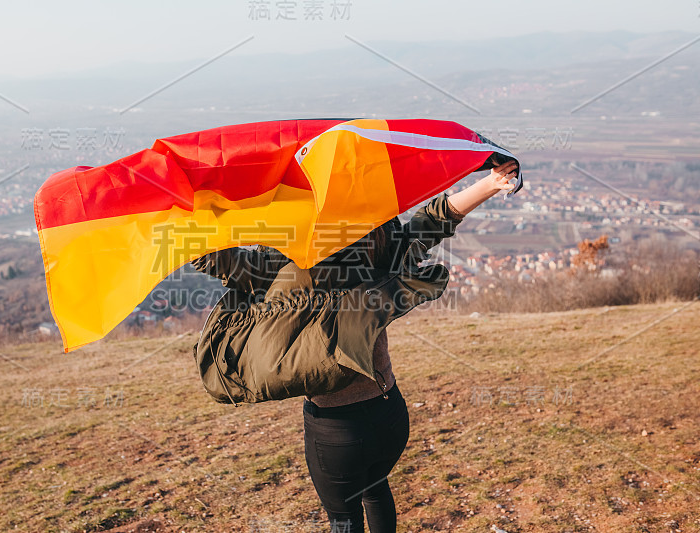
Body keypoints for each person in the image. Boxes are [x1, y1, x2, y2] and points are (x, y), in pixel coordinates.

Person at [192, 161, 519, 532]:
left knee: (343, 521)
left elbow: (211, 256)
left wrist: (187, 205)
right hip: (391, 414)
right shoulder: (375, 242)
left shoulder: (283, 264)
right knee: (376, 491)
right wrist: (490, 184)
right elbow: (429, 225)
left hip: (337, 432)